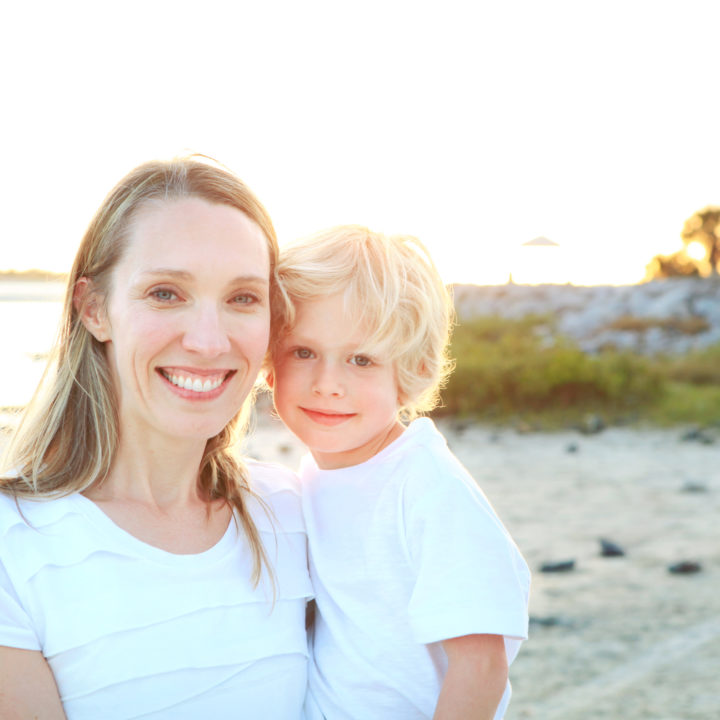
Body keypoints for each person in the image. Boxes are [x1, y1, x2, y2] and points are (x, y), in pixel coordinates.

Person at [0, 156, 312, 719]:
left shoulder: (294, 513)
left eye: (243, 298)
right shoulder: (14, 545)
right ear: (95, 310)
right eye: (166, 293)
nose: (208, 341)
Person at [266, 225, 531, 720]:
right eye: (303, 352)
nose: (328, 384)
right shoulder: (310, 479)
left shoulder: (428, 487)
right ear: (269, 362)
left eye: (361, 360)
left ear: (409, 373)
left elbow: (481, 664)